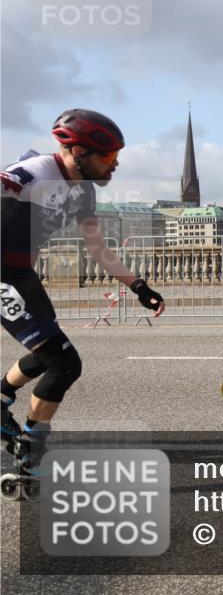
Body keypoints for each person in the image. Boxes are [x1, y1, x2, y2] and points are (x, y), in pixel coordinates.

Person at [1, 109, 166, 475]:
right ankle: (30, 451)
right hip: (2, 277)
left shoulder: (83, 191)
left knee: (48, 351)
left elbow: (98, 248)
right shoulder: (32, 175)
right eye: (109, 155)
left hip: (21, 274)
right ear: (77, 151)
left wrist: (138, 286)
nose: (115, 163)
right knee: (64, 363)